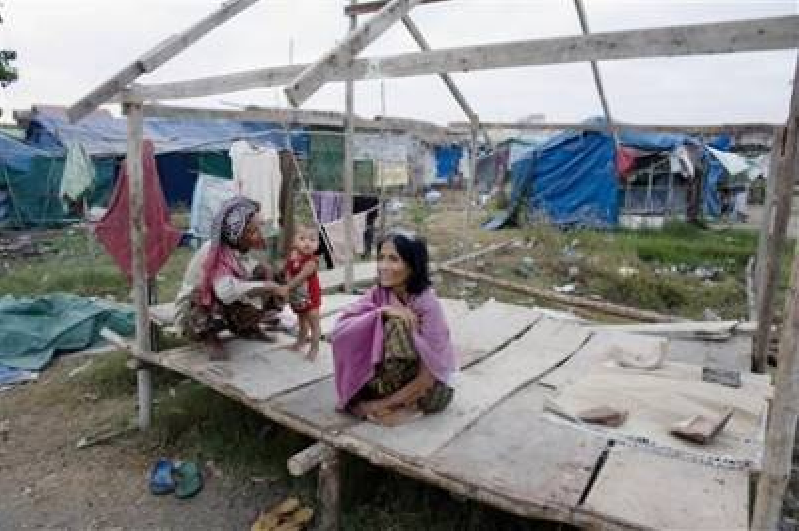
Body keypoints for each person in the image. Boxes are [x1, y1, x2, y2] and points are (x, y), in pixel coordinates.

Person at [330, 229, 457, 426]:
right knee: (376, 321)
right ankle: (387, 404)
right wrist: (382, 312)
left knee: (395, 326)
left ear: (412, 266)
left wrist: (376, 405)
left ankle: (399, 406)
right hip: (387, 377)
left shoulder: (427, 305)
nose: (383, 266)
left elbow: (428, 376)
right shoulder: (379, 294)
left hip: (427, 388)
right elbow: (341, 330)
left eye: (393, 259)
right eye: (381, 258)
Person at [174, 196, 283, 360]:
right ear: (235, 231)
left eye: (258, 229)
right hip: (192, 314)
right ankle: (208, 336)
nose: (258, 236)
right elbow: (226, 291)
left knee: (268, 274)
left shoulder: (233, 248)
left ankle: (246, 326)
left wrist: (267, 275)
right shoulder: (215, 252)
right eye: (252, 231)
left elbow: (246, 267)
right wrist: (266, 285)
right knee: (202, 297)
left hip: (219, 303)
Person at [279, 225, 322, 361]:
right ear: (294, 242)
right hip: (298, 297)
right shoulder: (293, 257)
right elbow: (287, 272)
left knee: (314, 322)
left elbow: (300, 277)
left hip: (311, 297)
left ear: (317, 244)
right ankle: (300, 342)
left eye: (312, 239)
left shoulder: (312, 261)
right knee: (302, 320)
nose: (307, 243)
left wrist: (286, 288)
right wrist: (286, 284)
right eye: (302, 239)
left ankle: (314, 348)